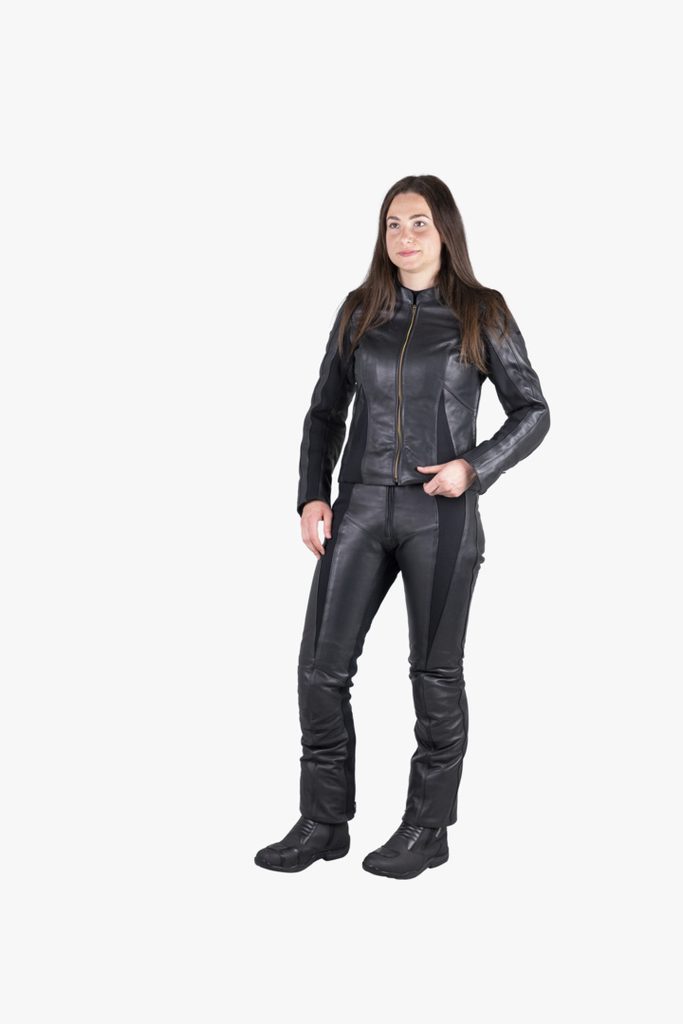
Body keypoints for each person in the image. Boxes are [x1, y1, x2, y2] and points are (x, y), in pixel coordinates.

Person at [254, 174, 551, 879]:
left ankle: (427, 827)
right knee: (320, 670)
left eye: (419, 223)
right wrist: (311, 495)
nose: (405, 236)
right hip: (358, 508)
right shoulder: (361, 310)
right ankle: (323, 821)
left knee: (434, 673)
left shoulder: (480, 311)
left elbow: (532, 411)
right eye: (393, 223)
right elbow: (324, 411)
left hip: (438, 515)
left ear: (444, 231)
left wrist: (473, 467)